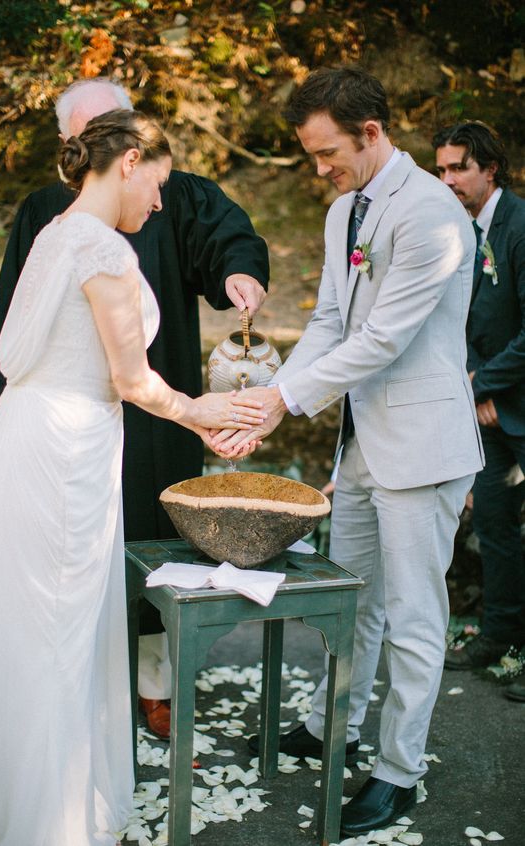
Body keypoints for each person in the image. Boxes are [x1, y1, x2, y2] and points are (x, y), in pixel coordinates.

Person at [0, 108, 265, 846]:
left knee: (24, 621)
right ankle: (49, 821)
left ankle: (13, 793)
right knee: (61, 626)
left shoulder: (55, 233)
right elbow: (134, 380)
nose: (161, 204)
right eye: (158, 184)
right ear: (130, 161)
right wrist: (205, 411)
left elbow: (11, 353)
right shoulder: (104, 251)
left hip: (24, 440)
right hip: (69, 452)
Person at [217, 66, 484, 836]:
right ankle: (336, 721)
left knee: (412, 615)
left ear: (371, 133)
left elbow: (384, 338)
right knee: (351, 602)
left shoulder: (433, 212)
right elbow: (331, 323)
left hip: (423, 445)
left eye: (327, 151)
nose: (320, 167)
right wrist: (270, 407)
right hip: (360, 443)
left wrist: (280, 399)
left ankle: (399, 771)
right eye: (310, 153)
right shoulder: (344, 213)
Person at [433, 122, 525, 681]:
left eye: (458, 167)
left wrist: (481, 385)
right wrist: (475, 381)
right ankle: (498, 635)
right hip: (489, 405)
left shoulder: (519, 226)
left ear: (490, 168)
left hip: (510, 397)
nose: (447, 180)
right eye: (440, 169)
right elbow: (460, 313)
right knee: (493, 524)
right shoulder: (460, 229)